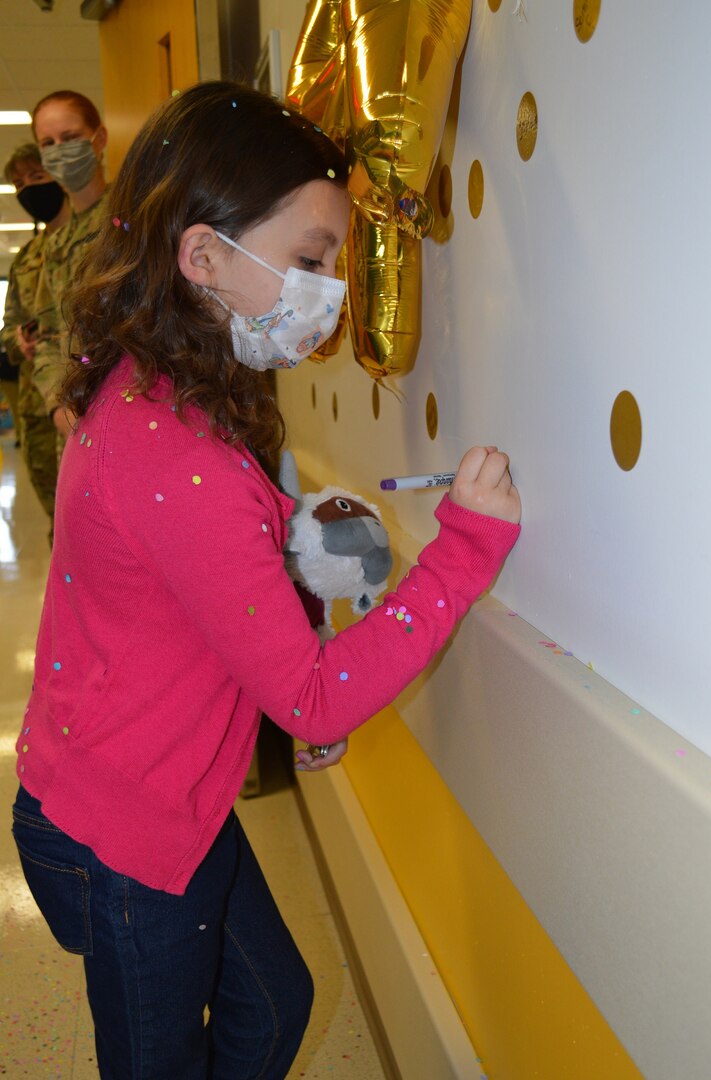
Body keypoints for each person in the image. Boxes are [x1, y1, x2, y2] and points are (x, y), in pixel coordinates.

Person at [11, 81, 521, 1080]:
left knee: (275, 1004)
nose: (326, 290)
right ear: (202, 256)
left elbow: (198, 575)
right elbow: (308, 693)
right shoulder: (176, 450)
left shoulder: (160, 390)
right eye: (308, 261)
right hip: (128, 840)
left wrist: (295, 540)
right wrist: (463, 549)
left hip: (149, 799)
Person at [29, 90, 110, 444]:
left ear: (99, 138)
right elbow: (45, 337)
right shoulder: (57, 244)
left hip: (133, 416)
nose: (60, 149)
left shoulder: (133, 223)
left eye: (71, 137)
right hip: (74, 426)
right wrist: (58, 408)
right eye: (48, 143)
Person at [1, 143, 71, 533]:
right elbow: (10, 325)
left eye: (37, 177)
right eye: (18, 183)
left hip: (81, 396)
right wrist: (18, 340)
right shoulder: (26, 257)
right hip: (35, 404)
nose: (28, 189)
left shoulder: (96, 241)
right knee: (55, 514)